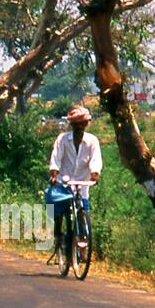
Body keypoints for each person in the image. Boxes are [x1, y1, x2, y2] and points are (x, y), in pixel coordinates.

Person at [48, 106, 102, 258]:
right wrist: (54, 174)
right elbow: (56, 158)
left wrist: (94, 174)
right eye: (76, 124)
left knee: (83, 213)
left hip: (82, 185)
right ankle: (58, 235)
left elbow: (95, 160)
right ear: (71, 125)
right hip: (64, 182)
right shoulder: (63, 139)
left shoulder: (92, 141)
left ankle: (83, 248)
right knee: (58, 210)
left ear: (86, 124)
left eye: (82, 124)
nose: (79, 127)